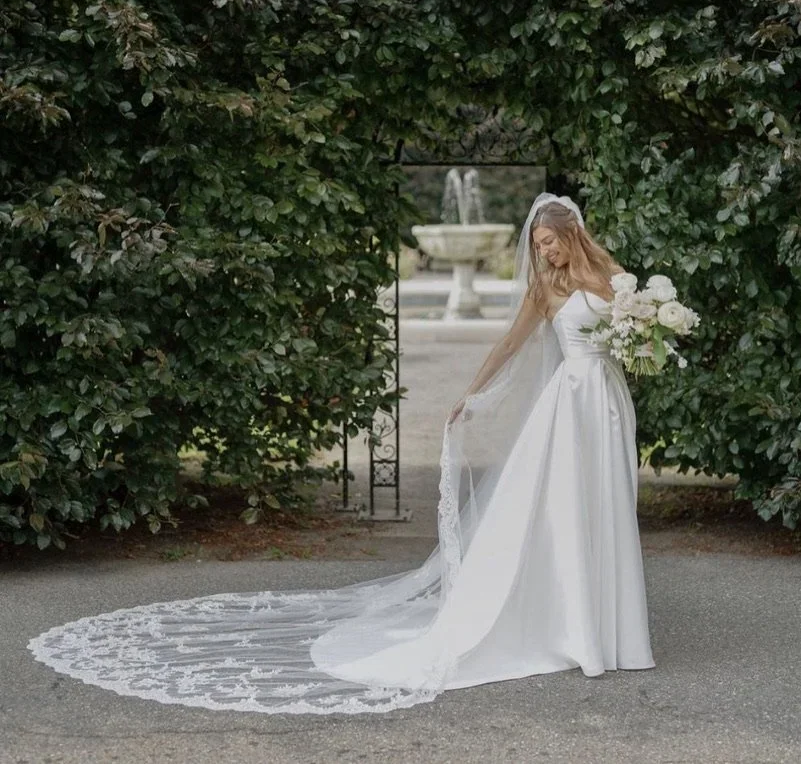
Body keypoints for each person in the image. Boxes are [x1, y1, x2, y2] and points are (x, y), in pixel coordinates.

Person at [28, 192, 655, 715]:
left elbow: (631, 335)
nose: (543, 253)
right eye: (538, 245)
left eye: (551, 243)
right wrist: (470, 392)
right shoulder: (543, 292)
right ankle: (576, 632)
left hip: (604, 403)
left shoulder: (615, 279)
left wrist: (646, 332)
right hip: (565, 407)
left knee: (604, 506)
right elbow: (512, 345)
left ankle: (609, 628)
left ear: (573, 233)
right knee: (565, 512)